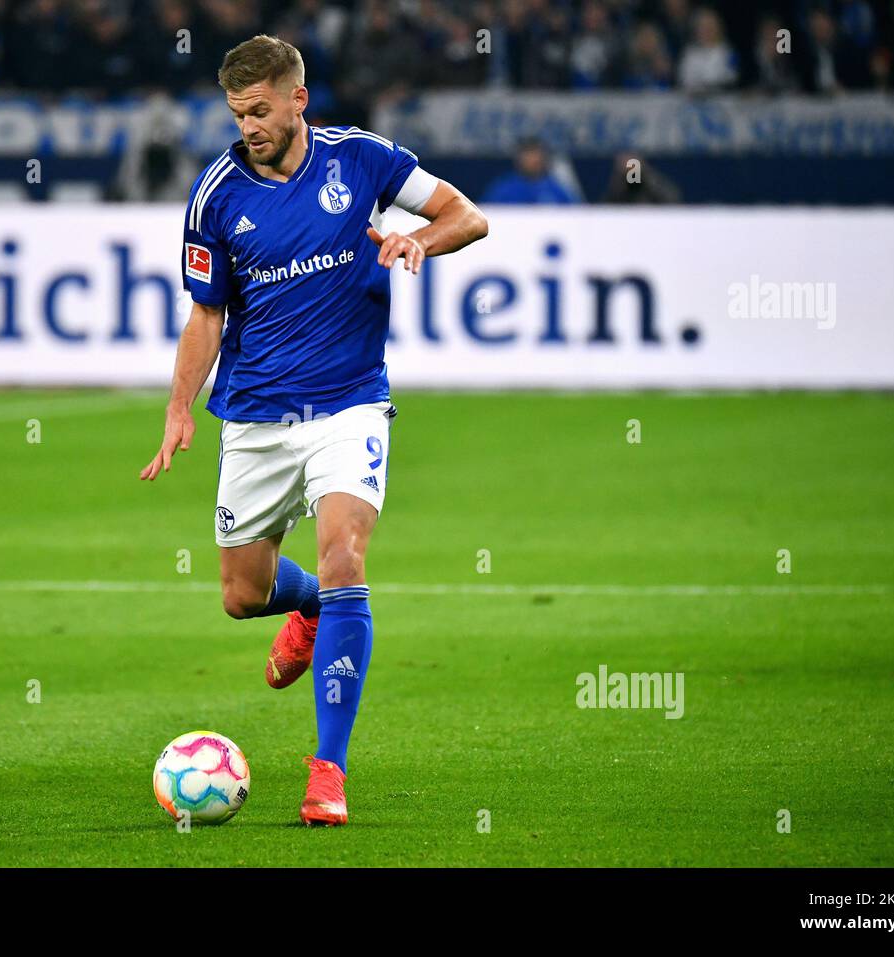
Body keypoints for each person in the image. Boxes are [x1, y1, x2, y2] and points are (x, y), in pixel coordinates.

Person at [140, 35, 487, 826]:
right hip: (258, 413)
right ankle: (304, 611)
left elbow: (467, 216)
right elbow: (207, 314)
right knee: (240, 594)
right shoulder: (216, 194)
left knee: (345, 557)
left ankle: (327, 770)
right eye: (236, 113)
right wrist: (178, 405)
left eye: (260, 110)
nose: (248, 125)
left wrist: (415, 239)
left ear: (299, 99)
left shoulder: (363, 159)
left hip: (349, 403)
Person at [483, 138, 583, 205]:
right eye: (528, 155)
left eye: (536, 155)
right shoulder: (504, 188)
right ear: (519, 159)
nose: (533, 160)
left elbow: (575, 212)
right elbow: (486, 212)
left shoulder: (555, 187)